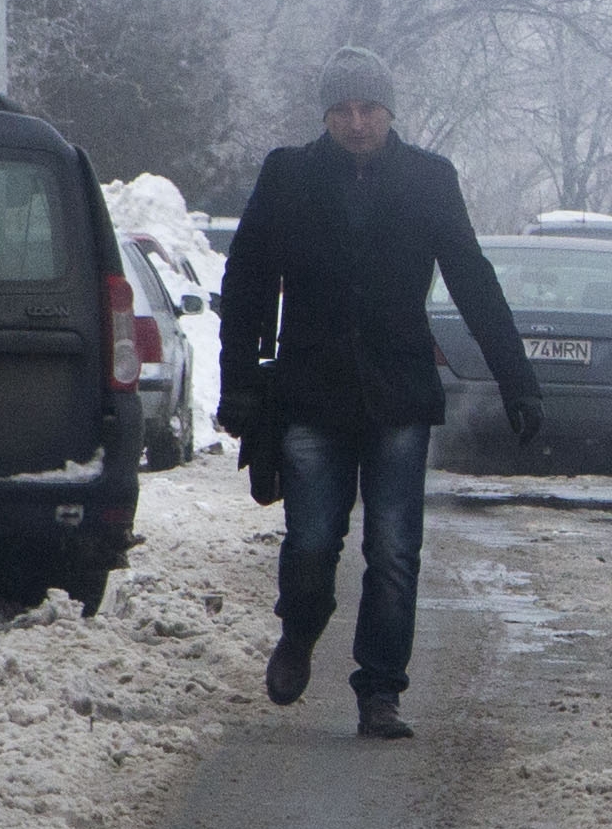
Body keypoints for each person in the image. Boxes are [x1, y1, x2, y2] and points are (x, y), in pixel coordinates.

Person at [217, 51, 541, 739]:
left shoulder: (429, 180)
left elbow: (472, 280)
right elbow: (246, 282)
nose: (357, 123)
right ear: (326, 116)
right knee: (311, 540)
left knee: (393, 549)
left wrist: (518, 380)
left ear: (390, 113)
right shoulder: (289, 175)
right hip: (310, 392)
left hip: (398, 395)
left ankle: (380, 691)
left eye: (369, 109)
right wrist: (238, 382)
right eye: (343, 111)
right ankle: (299, 631)